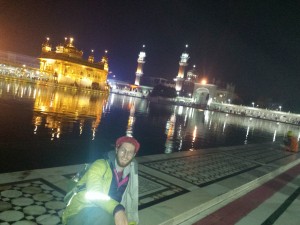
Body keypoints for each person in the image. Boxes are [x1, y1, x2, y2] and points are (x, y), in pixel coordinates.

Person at [62, 136, 140, 225]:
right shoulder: (100, 165)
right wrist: (117, 209)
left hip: (107, 211)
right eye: (123, 150)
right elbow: (94, 194)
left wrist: (130, 219)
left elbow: (131, 200)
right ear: (116, 149)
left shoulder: (130, 175)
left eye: (130, 152)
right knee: (105, 218)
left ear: (133, 155)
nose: (125, 155)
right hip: (81, 211)